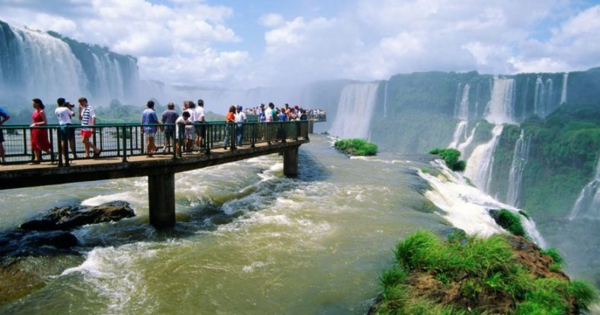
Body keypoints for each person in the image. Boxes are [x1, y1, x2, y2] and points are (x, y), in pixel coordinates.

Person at [30, 98, 52, 164]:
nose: (32, 105)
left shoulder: (41, 111)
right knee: (34, 144)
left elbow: (45, 122)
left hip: (41, 130)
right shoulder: (34, 111)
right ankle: (37, 159)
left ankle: (52, 154)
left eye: (33, 104)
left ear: (38, 103)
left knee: (41, 144)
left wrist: (36, 124)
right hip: (34, 130)